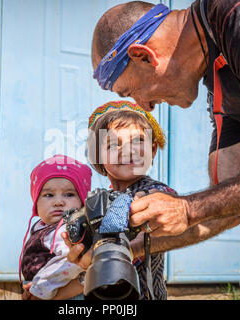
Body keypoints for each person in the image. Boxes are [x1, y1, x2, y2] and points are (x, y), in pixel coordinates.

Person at [88, 1, 240, 250]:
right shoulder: (223, 89)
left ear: (144, 56)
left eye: (132, 91)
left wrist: (188, 209)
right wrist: (122, 251)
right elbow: (224, 210)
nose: (145, 107)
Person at [67, 100, 174, 300]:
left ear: (152, 149)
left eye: (138, 141)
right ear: (97, 156)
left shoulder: (155, 192)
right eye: (113, 144)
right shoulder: (95, 203)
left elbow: (163, 215)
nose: (127, 150)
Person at [19, 154, 92, 300]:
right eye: (49, 195)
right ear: (36, 201)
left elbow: (68, 264)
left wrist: (39, 290)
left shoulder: (69, 231)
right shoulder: (42, 227)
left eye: (69, 194)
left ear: (82, 201)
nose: (58, 202)